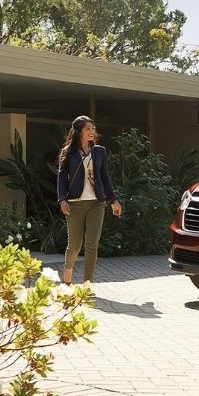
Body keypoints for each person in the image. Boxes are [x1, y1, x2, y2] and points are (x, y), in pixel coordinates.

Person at [56, 115, 122, 286]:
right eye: (88, 128)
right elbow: (62, 177)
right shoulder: (68, 152)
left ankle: (87, 284)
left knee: (92, 245)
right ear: (79, 131)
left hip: (96, 203)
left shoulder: (99, 151)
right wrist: (62, 199)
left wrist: (113, 200)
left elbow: (105, 177)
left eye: (93, 128)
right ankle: (68, 269)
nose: (92, 131)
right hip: (75, 203)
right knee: (75, 246)